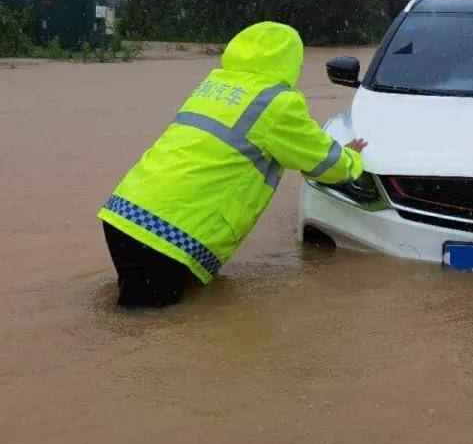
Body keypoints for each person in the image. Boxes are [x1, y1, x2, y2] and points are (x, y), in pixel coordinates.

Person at [98, 21, 366, 308]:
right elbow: (324, 163)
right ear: (291, 61)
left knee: (136, 311)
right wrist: (353, 158)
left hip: (124, 214)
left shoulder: (213, 85)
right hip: (164, 236)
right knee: (144, 332)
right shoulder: (276, 103)